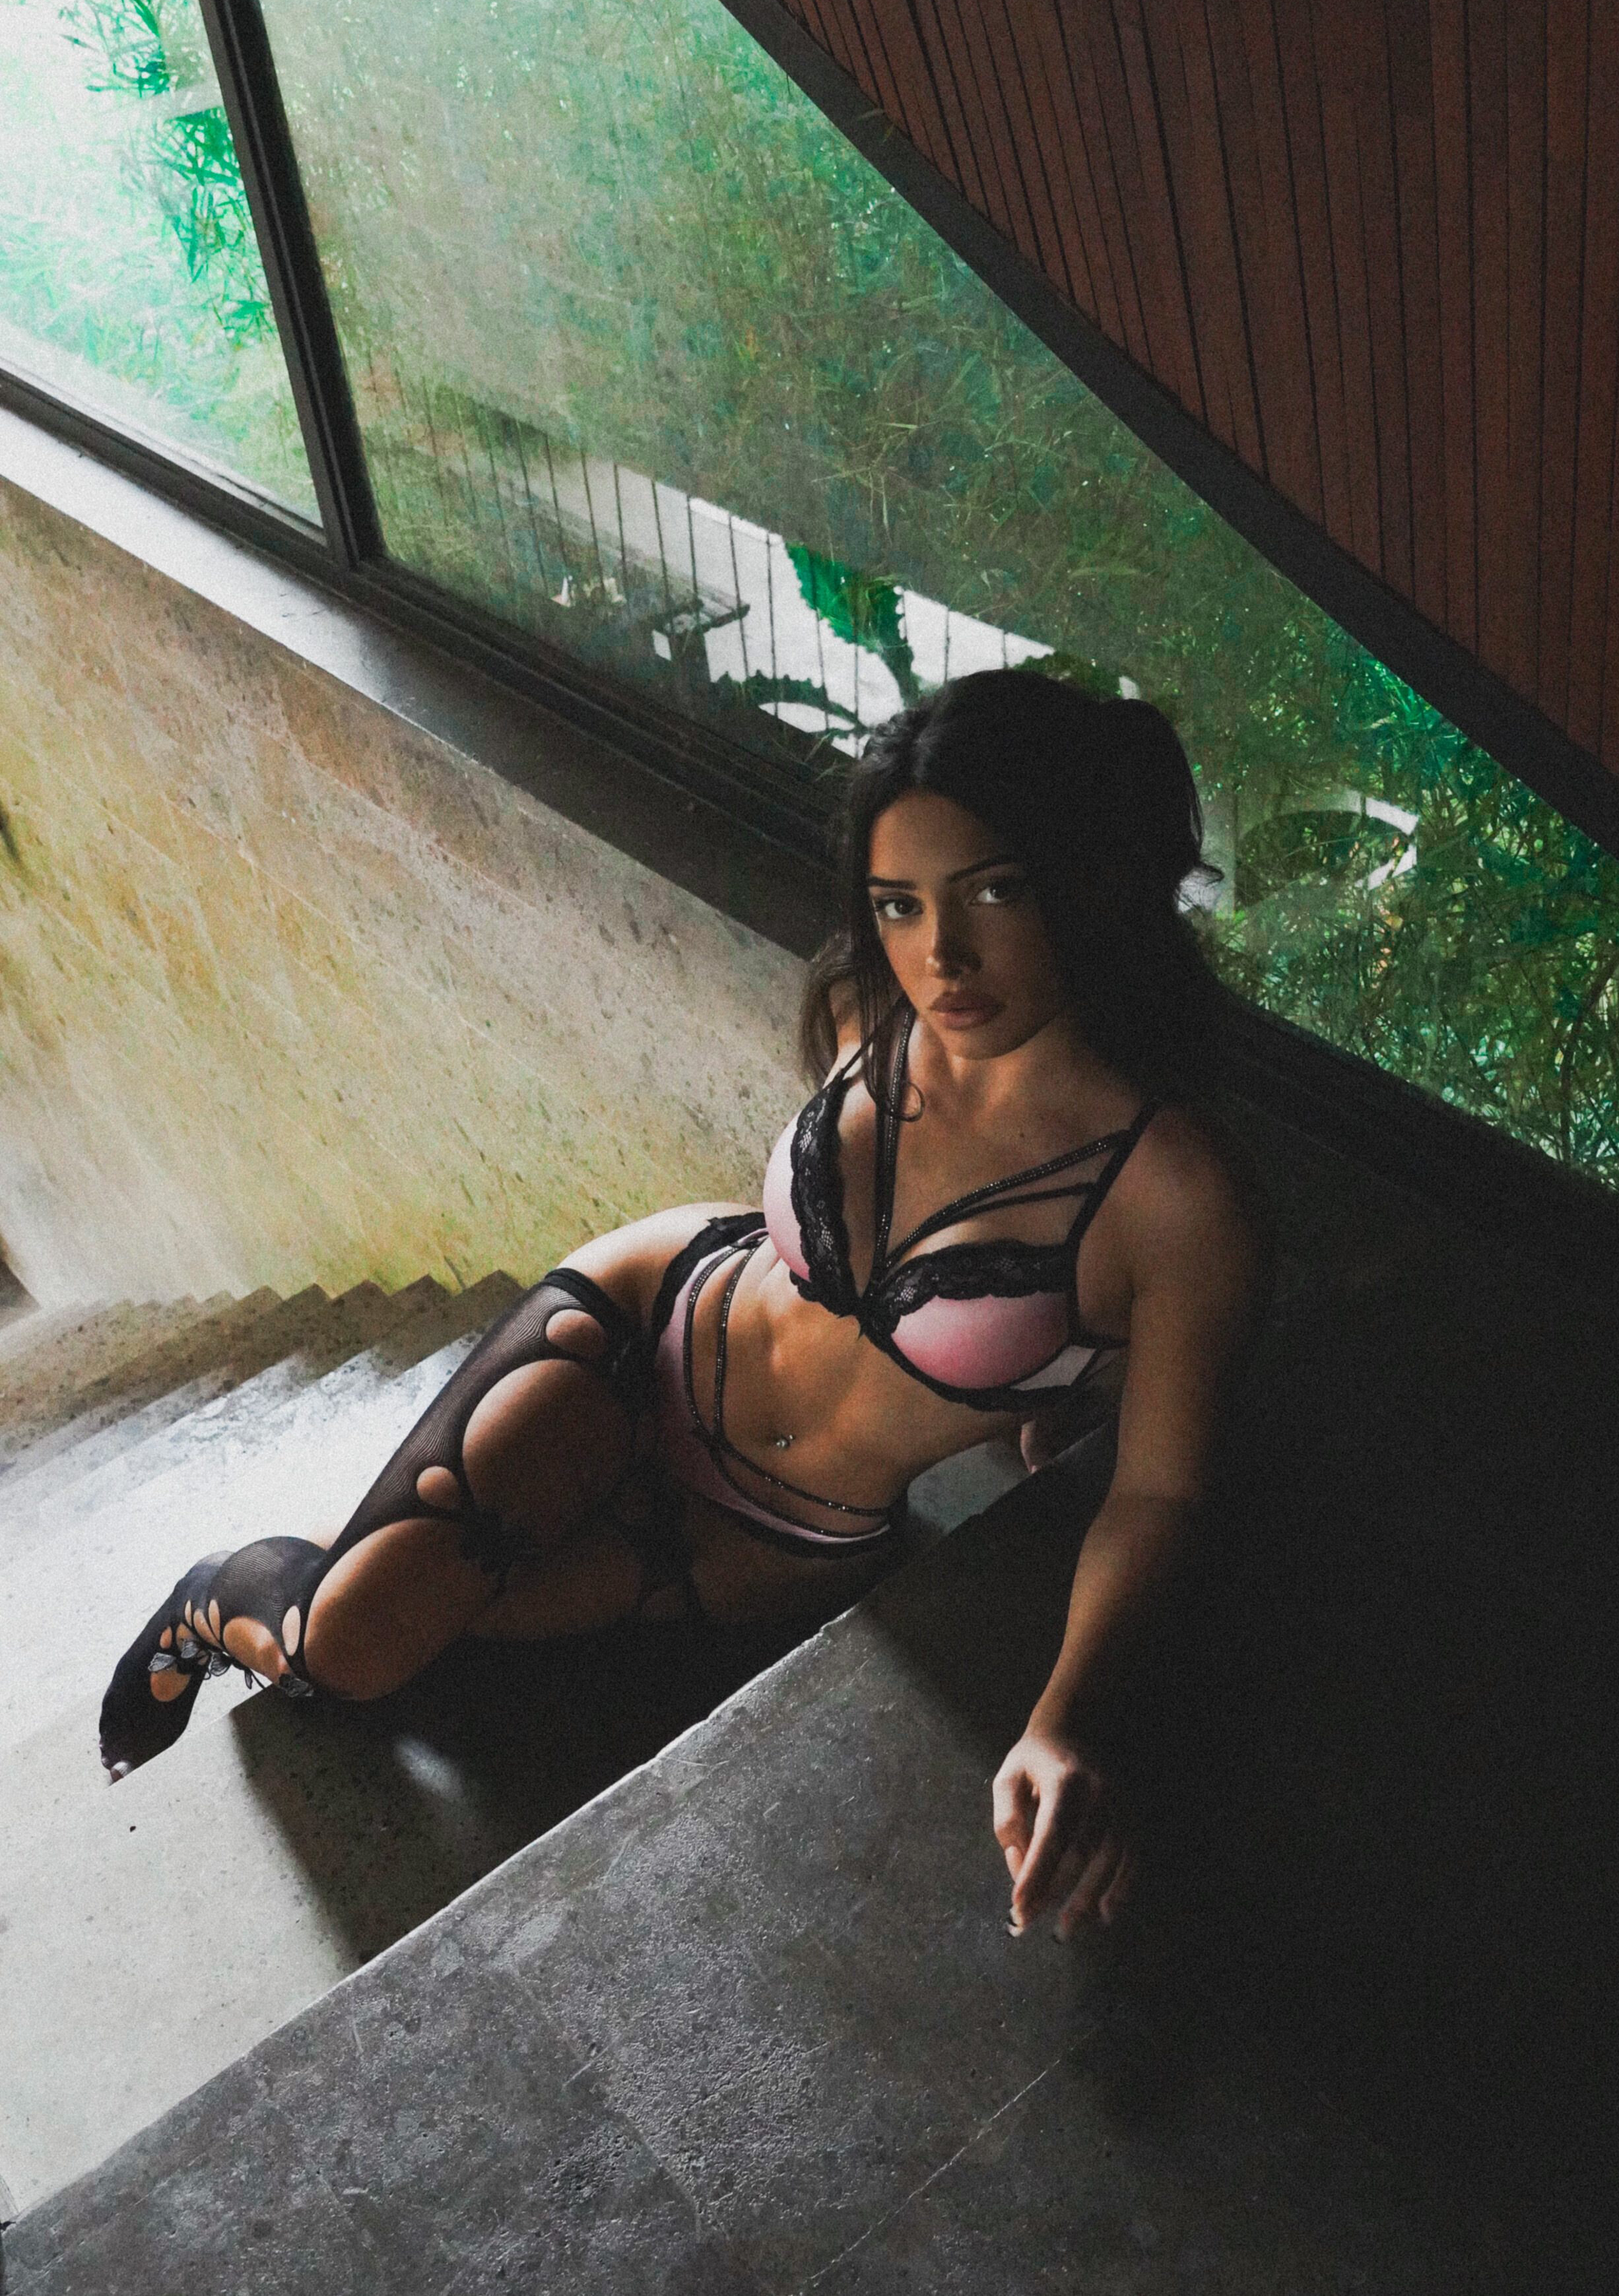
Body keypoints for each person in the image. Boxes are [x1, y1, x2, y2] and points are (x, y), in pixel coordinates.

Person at [99, 667, 1262, 1940]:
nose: (942, 955)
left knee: (434, 1638)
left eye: (994, 891)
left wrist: (1064, 1719)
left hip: (780, 1538)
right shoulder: (871, 1006)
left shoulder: (1174, 1192)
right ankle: (211, 1599)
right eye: (899, 904)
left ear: (1082, 881)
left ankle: (369, 1555)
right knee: (351, 1647)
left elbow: (1160, 1492)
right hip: (648, 1334)